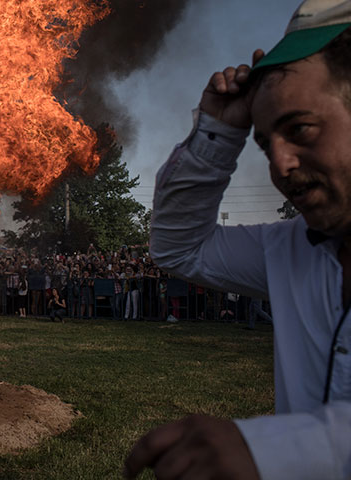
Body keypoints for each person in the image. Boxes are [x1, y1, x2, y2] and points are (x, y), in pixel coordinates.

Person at [124, 1, 351, 479]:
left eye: (300, 129)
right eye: (266, 143)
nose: (280, 165)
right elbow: (179, 248)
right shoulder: (289, 248)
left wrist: (271, 449)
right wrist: (218, 131)